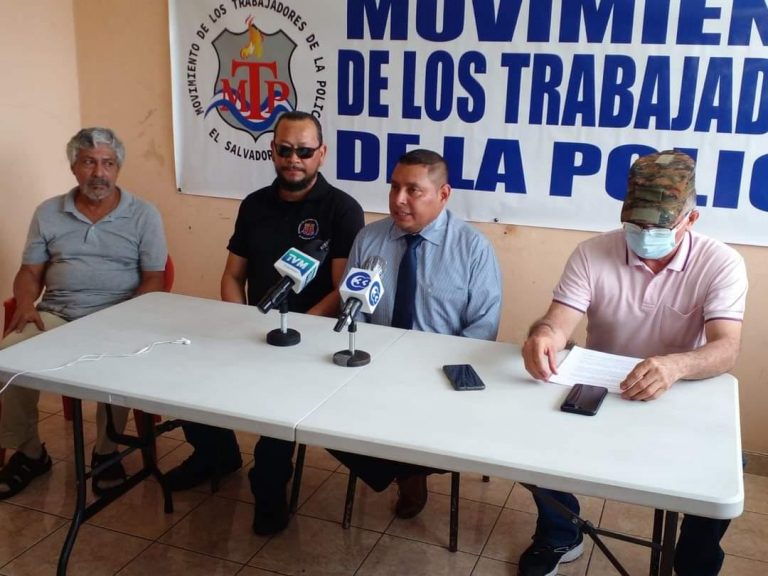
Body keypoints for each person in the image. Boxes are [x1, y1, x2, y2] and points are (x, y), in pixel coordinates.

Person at [519, 150, 747, 576]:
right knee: (522, 440)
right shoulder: (592, 252)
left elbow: (726, 348)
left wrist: (675, 366)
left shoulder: (721, 263)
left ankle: (692, 562)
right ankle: (560, 532)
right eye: (635, 225)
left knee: (727, 474)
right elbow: (558, 321)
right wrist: (545, 335)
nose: (644, 236)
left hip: (678, 393)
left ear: (691, 220)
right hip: (600, 389)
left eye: (658, 227)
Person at [164, 111, 365, 535]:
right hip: (254, 328)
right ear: (272, 150)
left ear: (322, 154)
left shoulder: (342, 209)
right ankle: (216, 454)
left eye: (304, 151)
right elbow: (232, 275)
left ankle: (269, 485)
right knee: (184, 377)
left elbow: (341, 289)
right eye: (285, 149)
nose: (294, 159)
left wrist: (301, 330)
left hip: (312, 340)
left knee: (277, 407)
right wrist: (239, 322)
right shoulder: (254, 204)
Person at [330, 148, 502, 519]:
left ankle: (409, 468)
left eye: (413, 190)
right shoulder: (369, 239)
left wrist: (435, 374)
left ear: (443, 194)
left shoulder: (473, 249)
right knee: (324, 414)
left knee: (435, 429)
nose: (398, 199)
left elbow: (483, 329)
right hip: (375, 370)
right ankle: (405, 470)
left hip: (440, 377)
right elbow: (353, 309)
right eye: (394, 187)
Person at [0, 127, 168, 499]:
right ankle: (30, 452)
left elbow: (154, 278)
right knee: (8, 356)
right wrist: (25, 304)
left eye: (108, 163)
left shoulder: (144, 214)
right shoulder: (48, 212)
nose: (99, 173)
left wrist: (126, 321)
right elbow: (29, 272)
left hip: (117, 316)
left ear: (118, 168)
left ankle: (106, 452)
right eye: (89, 162)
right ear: (73, 167)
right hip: (57, 314)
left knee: (121, 363)